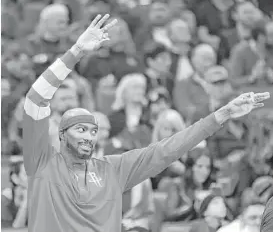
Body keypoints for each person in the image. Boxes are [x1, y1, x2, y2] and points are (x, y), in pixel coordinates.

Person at [23, 13, 270, 232]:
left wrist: (222, 115)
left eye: (93, 130)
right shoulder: (42, 163)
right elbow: (35, 98)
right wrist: (76, 52)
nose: (89, 135)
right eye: (80, 129)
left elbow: (169, 149)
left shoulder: (112, 169)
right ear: (62, 135)